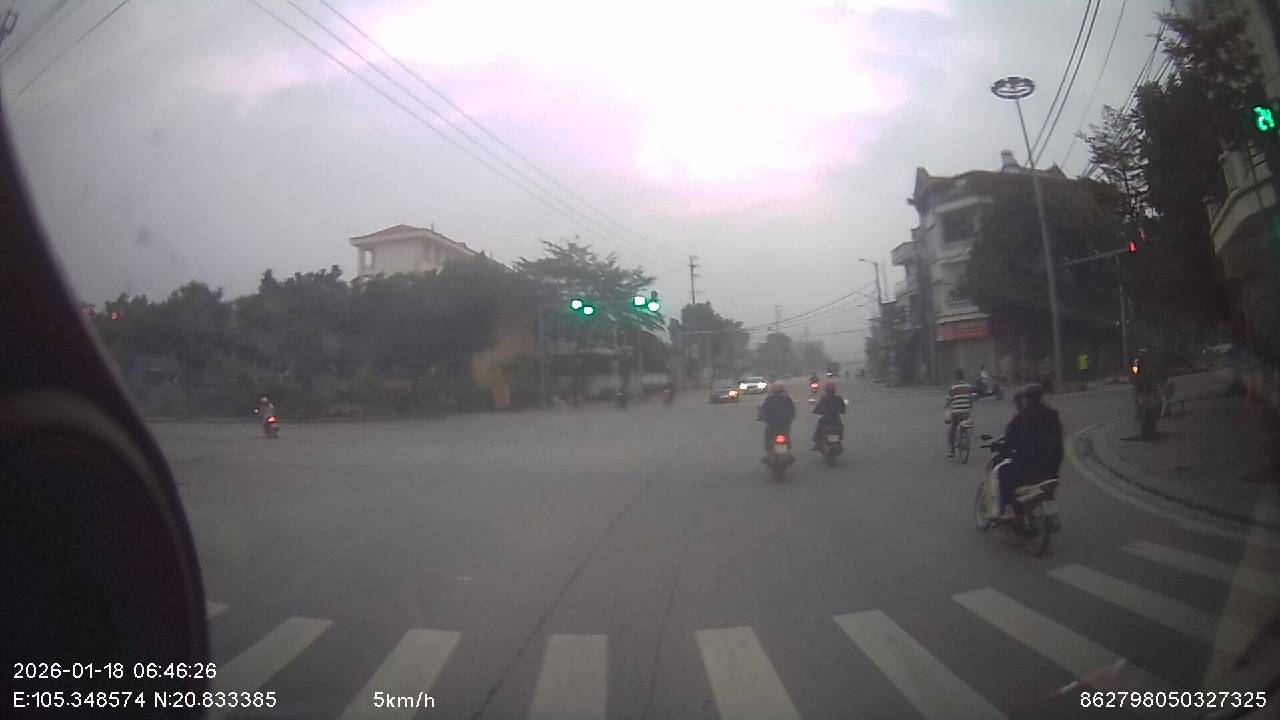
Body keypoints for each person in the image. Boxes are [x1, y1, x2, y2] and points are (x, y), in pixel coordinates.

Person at [990, 383, 1063, 521]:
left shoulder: (1021, 418)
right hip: (1052, 467)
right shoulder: (1052, 415)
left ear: (1026, 399)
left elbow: (1009, 443)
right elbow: (1058, 441)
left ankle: (1009, 510)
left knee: (1002, 473)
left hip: (1028, 467)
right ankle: (1050, 515)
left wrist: (1001, 452)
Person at [757, 382, 796, 461]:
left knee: (768, 438)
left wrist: (760, 417)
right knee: (786, 435)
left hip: (772, 426)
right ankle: (787, 451)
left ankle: (769, 453)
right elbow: (792, 411)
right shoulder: (787, 399)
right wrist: (790, 418)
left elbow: (762, 412)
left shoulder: (769, 399)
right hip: (784, 426)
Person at [944, 368, 974, 457]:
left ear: (956, 377)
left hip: (956, 413)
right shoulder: (969, 386)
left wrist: (945, 406)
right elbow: (972, 398)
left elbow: (949, 400)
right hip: (966, 412)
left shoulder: (953, 387)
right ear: (963, 376)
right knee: (968, 423)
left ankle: (952, 450)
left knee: (953, 427)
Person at [811, 381, 846, 449]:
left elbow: (818, 408)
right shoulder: (838, 398)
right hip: (835, 418)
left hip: (826, 418)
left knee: (819, 428)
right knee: (840, 427)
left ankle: (816, 442)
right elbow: (843, 408)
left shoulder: (824, 398)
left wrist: (816, 411)